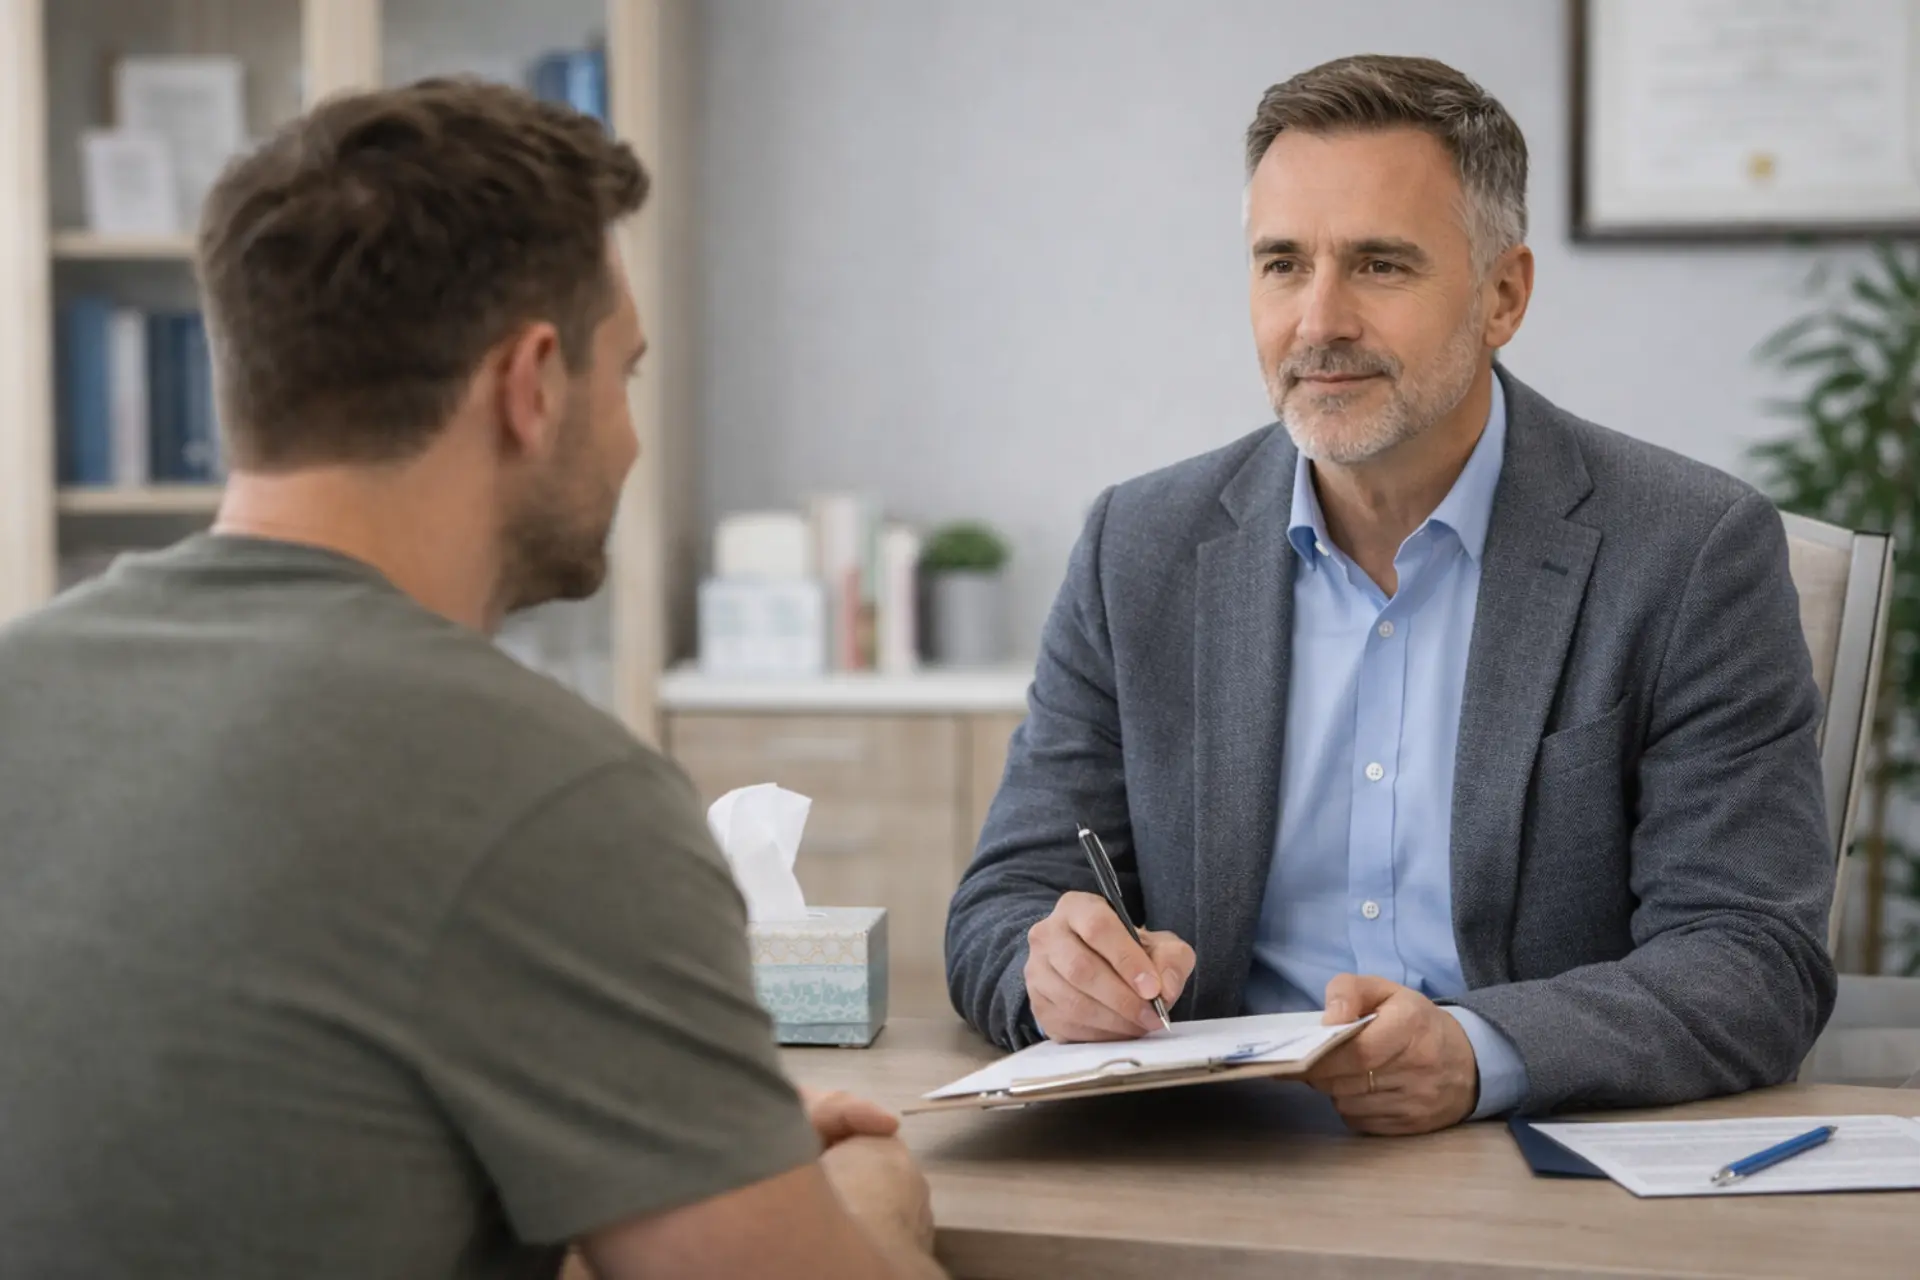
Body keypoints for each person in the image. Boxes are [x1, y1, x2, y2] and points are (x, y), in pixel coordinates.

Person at [0, 80, 943, 1280]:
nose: (632, 436)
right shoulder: (554, 797)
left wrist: (696, 1157)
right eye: (627, 376)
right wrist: (867, 1205)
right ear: (533, 383)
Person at [946, 54, 1837, 1135]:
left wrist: (1479, 1053)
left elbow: (1752, 955)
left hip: (1523, 1155)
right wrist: (1051, 973)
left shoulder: (1688, 550)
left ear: (1503, 294)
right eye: (1282, 263)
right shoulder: (1139, 545)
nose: (1319, 320)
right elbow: (1003, 904)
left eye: (1378, 265)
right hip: (1208, 1157)